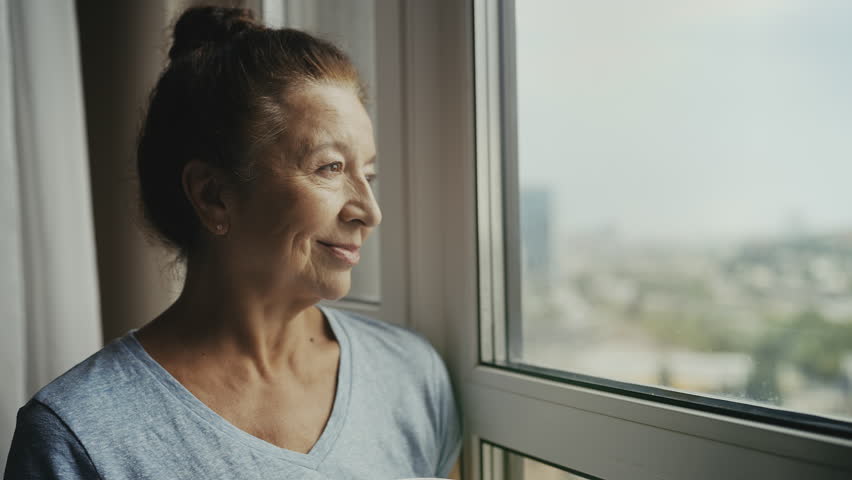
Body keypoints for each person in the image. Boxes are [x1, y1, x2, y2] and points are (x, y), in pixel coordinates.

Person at [4, 6, 461, 479]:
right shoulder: (78, 436)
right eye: (330, 168)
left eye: (368, 174)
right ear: (214, 196)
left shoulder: (409, 375)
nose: (369, 211)